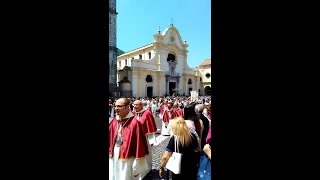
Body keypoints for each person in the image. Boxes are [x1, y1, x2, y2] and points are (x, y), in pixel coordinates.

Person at [109, 98, 149, 180]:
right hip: (113, 154)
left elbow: (139, 145)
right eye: (115, 106)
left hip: (128, 156)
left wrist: (137, 162)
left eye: (119, 106)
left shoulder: (135, 123)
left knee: (125, 176)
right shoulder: (114, 121)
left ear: (127, 107)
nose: (116, 108)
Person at [132, 100, 158, 178]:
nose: (134, 107)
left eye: (136, 105)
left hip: (145, 138)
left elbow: (151, 127)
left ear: (141, 105)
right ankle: (138, 170)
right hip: (135, 138)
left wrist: (151, 140)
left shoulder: (147, 114)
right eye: (134, 105)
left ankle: (148, 169)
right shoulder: (132, 113)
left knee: (147, 155)